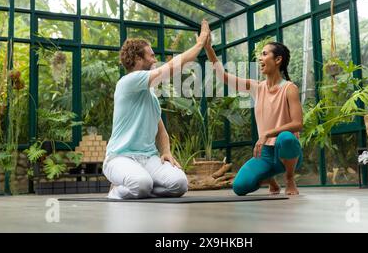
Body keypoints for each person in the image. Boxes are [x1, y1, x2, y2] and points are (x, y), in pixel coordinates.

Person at [103, 19, 211, 199]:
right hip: (120, 158)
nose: (155, 59)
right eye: (151, 55)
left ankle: (141, 189)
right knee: (141, 183)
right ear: (138, 58)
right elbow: (171, 68)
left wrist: (166, 152)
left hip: (148, 158)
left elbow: (160, 129)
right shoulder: (128, 81)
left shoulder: (150, 94)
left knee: (179, 184)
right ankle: (117, 190)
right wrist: (200, 43)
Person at [204, 39, 303, 196]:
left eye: (264, 54)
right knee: (240, 187)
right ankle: (270, 178)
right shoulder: (257, 87)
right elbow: (223, 76)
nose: (260, 58)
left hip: (285, 152)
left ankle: (289, 178)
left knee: (286, 138)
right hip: (265, 154)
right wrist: (208, 48)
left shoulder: (289, 89)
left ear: (278, 60)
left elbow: (298, 124)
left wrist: (267, 134)